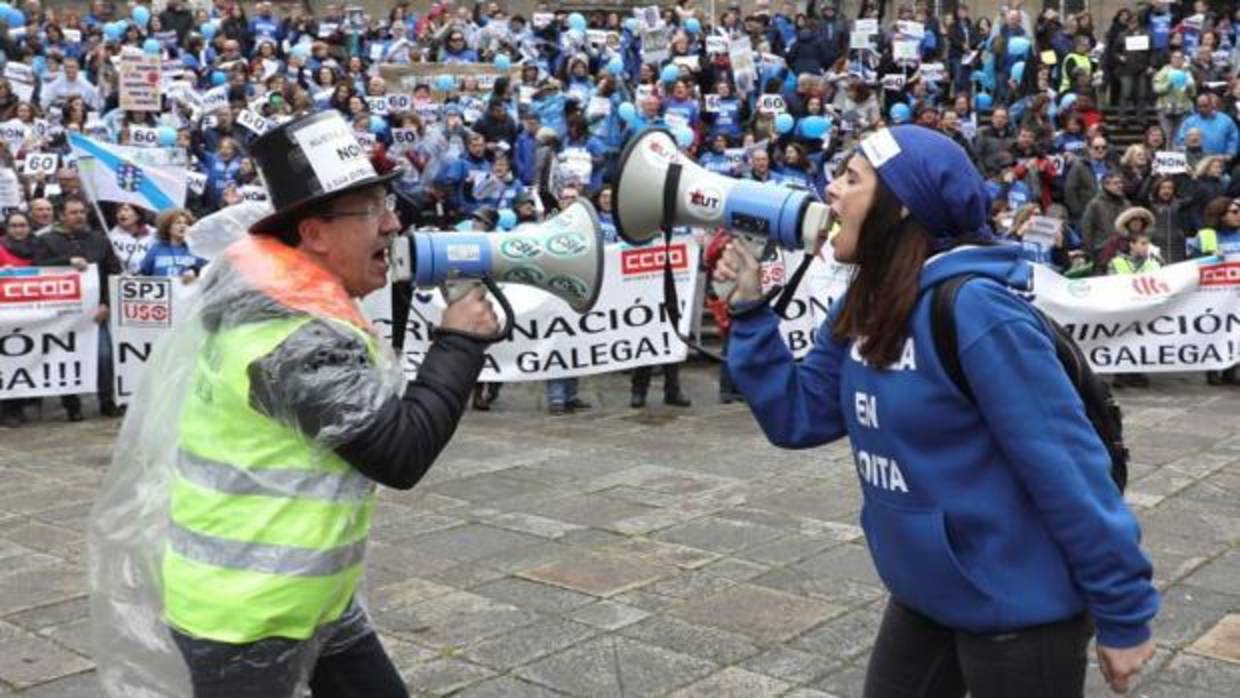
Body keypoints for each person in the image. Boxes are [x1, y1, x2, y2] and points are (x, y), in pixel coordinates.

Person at [716, 126, 1159, 698]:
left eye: (852, 180)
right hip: (927, 590)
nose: (830, 191)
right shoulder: (866, 302)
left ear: (901, 207)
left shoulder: (975, 309)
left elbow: (1067, 467)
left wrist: (1124, 610)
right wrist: (751, 314)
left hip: (1017, 607)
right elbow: (796, 418)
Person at [88, 111, 500, 698]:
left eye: (390, 204)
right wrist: (460, 340)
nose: (393, 224)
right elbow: (399, 452)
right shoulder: (288, 336)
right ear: (313, 233)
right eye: (373, 210)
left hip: (307, 598)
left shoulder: (280, 302)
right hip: (250, 614)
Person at [32, 196, 123, 421]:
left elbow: (113, 272)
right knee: (65, 357)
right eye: (74, 212)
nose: (79, 216)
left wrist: (106, 303)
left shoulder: (100, 240)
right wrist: (67, 261)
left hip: (95, 312)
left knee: (104, 356)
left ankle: (106, 400)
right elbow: (38, 268)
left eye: (82, 212)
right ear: (62, 215)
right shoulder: (47, 240)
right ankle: (72, 404)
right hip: (62, 313)